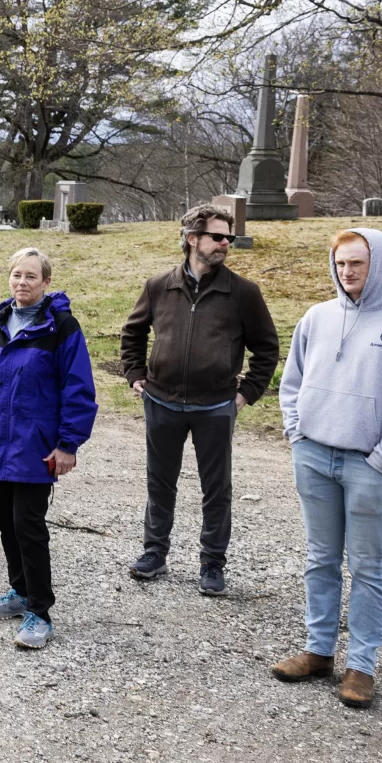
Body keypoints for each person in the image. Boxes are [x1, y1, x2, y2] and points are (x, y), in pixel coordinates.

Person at [272, 228, 382, 710]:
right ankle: (319, 650)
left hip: (370, 465)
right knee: (321, 559)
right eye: (341, 264)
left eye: (357, 264)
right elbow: (292, 381)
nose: (347, 272)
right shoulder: (317, 317)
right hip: (314, 456)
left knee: (367, 567)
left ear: (378, 264)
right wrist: (297, 433)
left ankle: (361, 666)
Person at [119, 202, 280, 595]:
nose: (226, 243)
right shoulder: (159, 285)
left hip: (216, 407)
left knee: (216, 488)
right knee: (160, 483)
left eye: (229, 237)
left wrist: (246, 393)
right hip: (162, 402)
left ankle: (212, 563)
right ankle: (154, 553)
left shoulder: (243, 292)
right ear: (193, 240)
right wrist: (135, 374)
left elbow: (267, 348)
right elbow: (133, 332)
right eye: (218, 236)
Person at [0, 248, 99, 651]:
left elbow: (78, 388)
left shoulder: (61, 327)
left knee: (29, 526)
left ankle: (40, 611)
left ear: (46, 283)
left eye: (31, 277)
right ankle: (19, 592)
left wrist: (68, 444)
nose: (22, 282)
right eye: (17, 275)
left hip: (35, 447)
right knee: (5, 522)